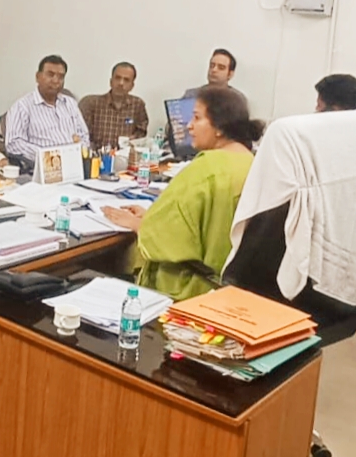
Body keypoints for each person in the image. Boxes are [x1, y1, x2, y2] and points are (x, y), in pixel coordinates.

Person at [102, 87, 264, 301]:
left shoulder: (205, 168)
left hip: (193, 287)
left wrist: (139, 224)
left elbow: (165, 239)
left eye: (197, 118)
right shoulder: (251, 162)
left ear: (219, 127)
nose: (189, 125)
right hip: (231, 287)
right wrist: (152, 216)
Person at [4, 55, 90, 162]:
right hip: (41, 166)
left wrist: (77, 150)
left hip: (73, 165)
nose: (55, 80)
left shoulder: (70, 104)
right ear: (37, 77)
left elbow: (84, 137)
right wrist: (49, 156)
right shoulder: (22, 107)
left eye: (61, 77)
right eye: (50, 75)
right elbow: (13, 144)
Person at [80, 62, 148, 150]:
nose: (121, 83)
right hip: (96, 155)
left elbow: (141, 132)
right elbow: (82, 135)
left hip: (125, 155)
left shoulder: (138, 105)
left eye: (126, 80)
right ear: (111, 81)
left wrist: (134, 140)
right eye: (117, 78)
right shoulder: (91, 104)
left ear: (132, 86)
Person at [182, 48, 246, 101]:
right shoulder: (191, 96)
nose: (214, 70)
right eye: (212, 66)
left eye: (221, 67)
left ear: (230, 74)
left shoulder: (238, 100)